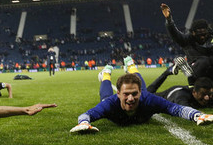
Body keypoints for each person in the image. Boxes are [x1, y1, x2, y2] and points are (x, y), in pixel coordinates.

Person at [70, 56, 213, 134]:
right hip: (110, 99)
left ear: (139, 93)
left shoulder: (148, 98)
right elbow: (86, 115)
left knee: (141, 86)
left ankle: (131, 65)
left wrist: (197, 115)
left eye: (134, 94)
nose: (130, 98)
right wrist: (84, 123)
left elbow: (176, 109)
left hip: (143, 94)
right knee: (105, 96)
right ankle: (106, 74)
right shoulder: (110, 103)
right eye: (126, 94)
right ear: (118, 94)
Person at [161, 3, 213, 85]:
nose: (202, 37)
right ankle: (189, 71)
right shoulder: (187, 40)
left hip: (210, 75)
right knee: (204, 61)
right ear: (193, 33)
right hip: (196, 77)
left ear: (208, 32)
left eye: (204, 34)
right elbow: (176, 35)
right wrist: (169, 21)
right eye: (200, 35)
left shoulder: (211, 38)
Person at [146, 58, 213, 108]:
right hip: (163, 96)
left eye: (209, 94)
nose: (206, 98)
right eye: (203, 94)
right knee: (146, 95)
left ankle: (191, 75)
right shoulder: (181, 96)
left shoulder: (205, 94)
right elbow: (187, 111)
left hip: (190, 87)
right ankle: (167, 72)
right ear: (194, 92)